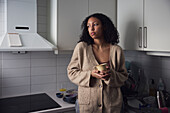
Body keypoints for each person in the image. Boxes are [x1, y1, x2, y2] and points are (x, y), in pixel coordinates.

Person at [67, 13, 128, 113]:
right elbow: (71, 72)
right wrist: (90, 74)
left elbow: (123, 76)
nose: (91, 29)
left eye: (95, 24)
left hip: (112, 105)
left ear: (104, 26)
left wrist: (110, 75)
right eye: (88, 26)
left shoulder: (117, 50)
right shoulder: (82, 47)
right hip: (87, 105)